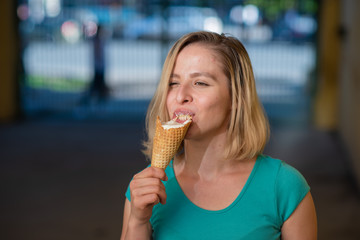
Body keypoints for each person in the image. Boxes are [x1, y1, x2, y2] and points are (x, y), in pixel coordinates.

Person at [120, 31, 317, 240]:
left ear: (236, 97)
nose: (180, 96)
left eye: (200, 83)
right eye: (173, 83)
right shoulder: (145, 189)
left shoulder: (284, 186)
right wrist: (138, 221)